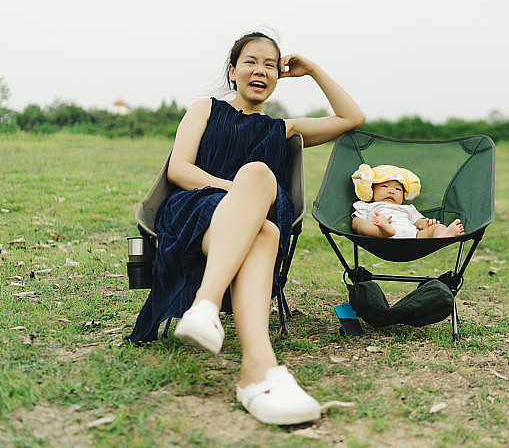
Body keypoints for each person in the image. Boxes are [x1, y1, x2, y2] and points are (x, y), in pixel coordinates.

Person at [126, 31, 365, 425]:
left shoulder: (283, 129)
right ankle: (247, 358)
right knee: (257, 181)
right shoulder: (205, 108)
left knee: (267, 224)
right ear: (233, 70)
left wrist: (314, 71)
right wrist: (241, 193)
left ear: (277, 77)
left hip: (261, 218)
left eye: (271, 64)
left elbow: (352, 118)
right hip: (197, 207)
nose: (262, 70)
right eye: (252, 61)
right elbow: (180, 169)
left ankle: (234, 339)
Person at [350, 164, 464, 238]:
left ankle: (443, 235)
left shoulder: (408, 208)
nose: (392, 191)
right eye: (384, 186)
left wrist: (424, 224)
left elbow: (418, 222)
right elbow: (356, 225)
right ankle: (383, 230)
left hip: (413, 236)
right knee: (361, 224)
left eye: (398, 189)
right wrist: (370, 224)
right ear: (371, 190)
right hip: (380, 235)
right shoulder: (366, 206)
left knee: (435, 228)